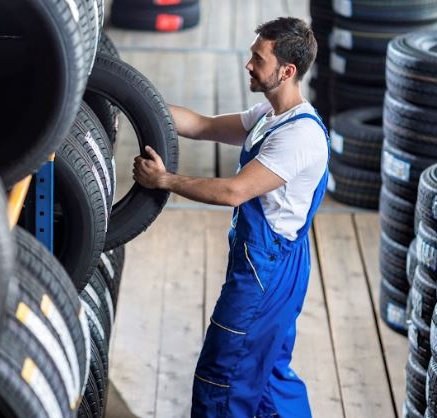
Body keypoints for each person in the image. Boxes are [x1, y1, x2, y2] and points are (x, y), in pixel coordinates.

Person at [133, 17, 327, 418]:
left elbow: (234, 191)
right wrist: (134, 100)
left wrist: (164, 180)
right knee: (267, 377)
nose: (248, 64)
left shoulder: (299, 136)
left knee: (222, 377)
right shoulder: (269, 116)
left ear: (287, 71)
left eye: (259, 59)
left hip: (268, 274)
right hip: (267, 264)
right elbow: (201, 126)